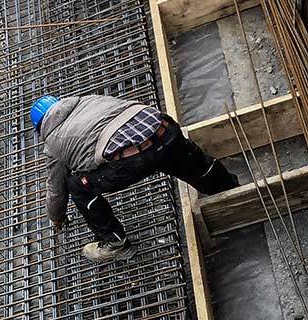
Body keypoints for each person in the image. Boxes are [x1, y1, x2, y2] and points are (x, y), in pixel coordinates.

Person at [30, 94, 238, 263]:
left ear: (40, 128)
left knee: (78, 186)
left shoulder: (53, 144)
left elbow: (56, 188)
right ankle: (230, 192)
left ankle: (115, 244)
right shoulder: (88, 100)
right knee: (191, 163)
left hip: (133, 159)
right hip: (164, 128)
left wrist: (56, 217)